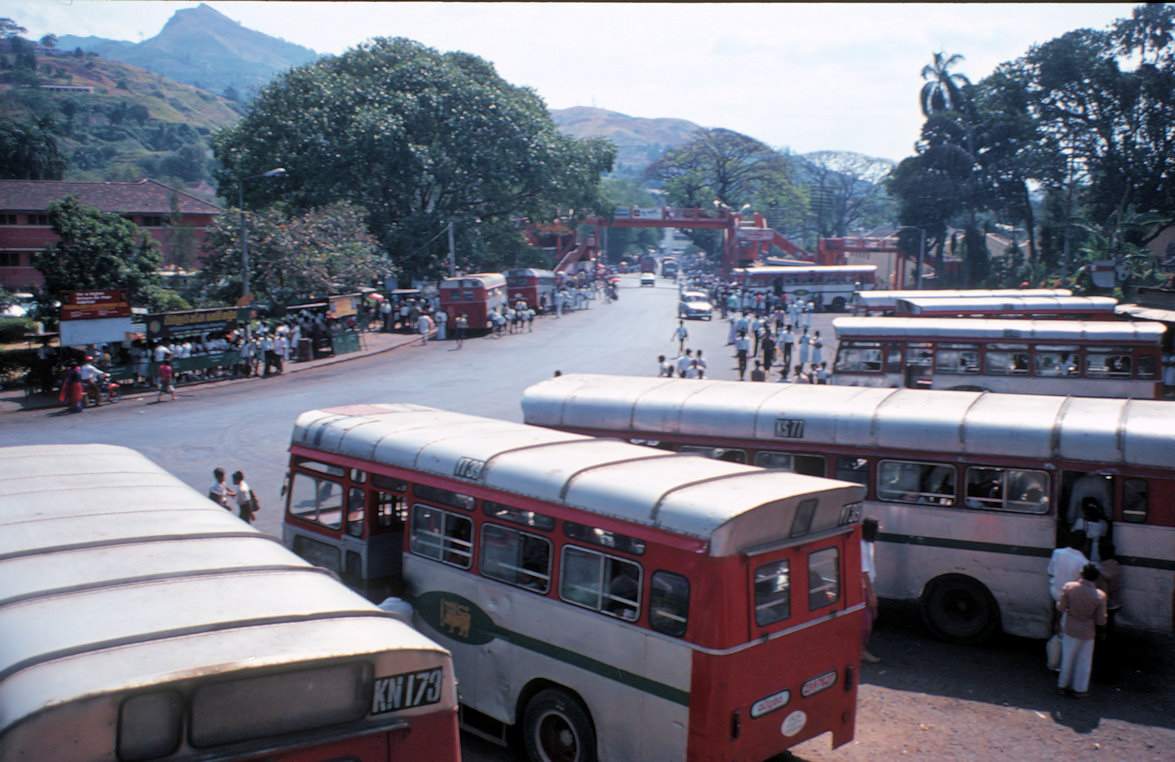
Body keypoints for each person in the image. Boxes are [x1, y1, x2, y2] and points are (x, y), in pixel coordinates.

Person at [1056, 563, 1108, 697]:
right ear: (1096, 578)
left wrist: (1056, 623)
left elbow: (1061, 608)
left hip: (1070, 627)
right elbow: (1101, 619)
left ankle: (1062, 686)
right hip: (1088, 631)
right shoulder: (1100, 595)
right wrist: (1102, 632)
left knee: (1067, 658)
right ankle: (1079, 689)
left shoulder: (1069, 587)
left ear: (1082, 573)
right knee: (1084, 661)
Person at [861, 518, 881, 663]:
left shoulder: (867, 544)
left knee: (871, 616)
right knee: (865, 622)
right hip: (862, 588)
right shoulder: (862, 545)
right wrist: (871, 593)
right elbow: (864, 572)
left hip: (866, 586)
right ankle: (861, 651)